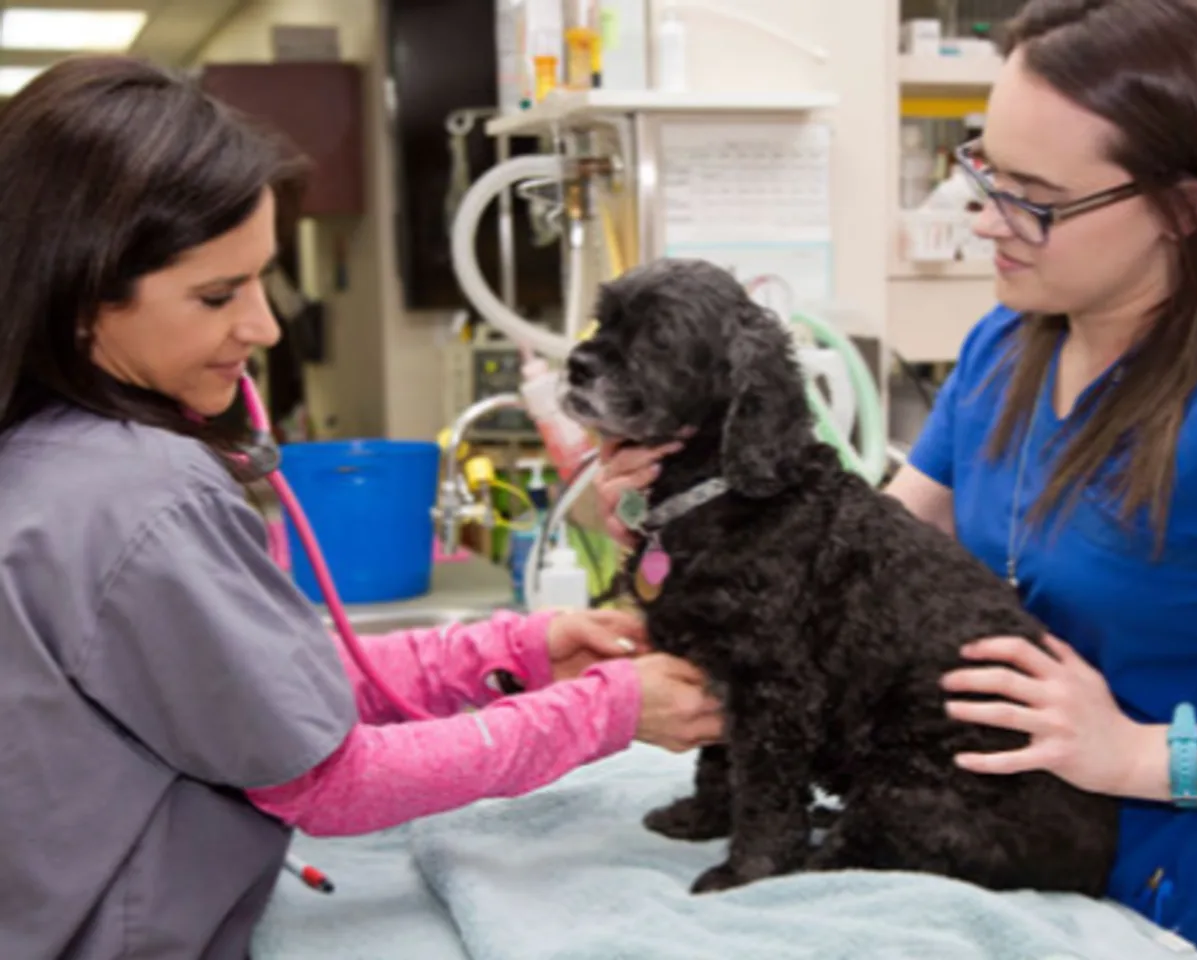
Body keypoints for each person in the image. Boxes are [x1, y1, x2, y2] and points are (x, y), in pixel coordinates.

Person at [595, 1, 1197, 957]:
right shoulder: (1008, 346)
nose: (985, 217)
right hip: (990, 892)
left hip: (1193, 917)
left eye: (1035, 196)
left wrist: (1139, 753)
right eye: (983, 169)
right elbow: (849, 562)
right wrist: (676, 519)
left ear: (1183, 206)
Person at [0, 56, 722, 959]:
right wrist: (604, 713)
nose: (263, 327)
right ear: (77, 300)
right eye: (217, 296)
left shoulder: (48, 458)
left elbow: (251, 692)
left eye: (263, 279)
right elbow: (324, 783)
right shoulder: (139, 498)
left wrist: (507, 653)